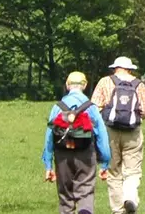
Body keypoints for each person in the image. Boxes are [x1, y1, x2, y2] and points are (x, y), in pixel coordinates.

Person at [43, 71, 111, 214]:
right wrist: (105, 162)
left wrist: (48, 164)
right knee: (85, 190)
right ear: (85, 85)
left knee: (65, 194)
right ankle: (85, 210)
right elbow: (102, 135)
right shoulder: (91, 107)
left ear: (67, 86)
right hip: (86, 152)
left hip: (62, 154)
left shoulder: (58, 107)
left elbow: (49, 136)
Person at [92, 57, 145, 214]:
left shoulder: (105, 82)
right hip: (133, 132)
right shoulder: (138, 84)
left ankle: (118, 209)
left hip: (110, 131)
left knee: (113, 171)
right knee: (132, 170)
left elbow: (95, 107)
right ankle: (130, 197)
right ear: (129, 69)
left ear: (115, 68)